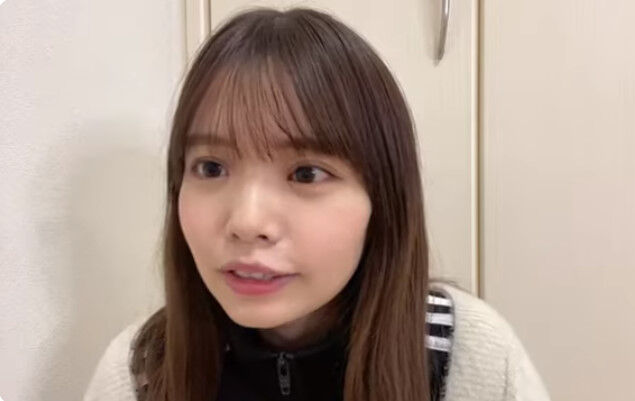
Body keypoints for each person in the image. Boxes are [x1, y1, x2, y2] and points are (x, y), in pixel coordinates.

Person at [83, 7, 550, 401]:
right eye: (211, 167)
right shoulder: (140, 371)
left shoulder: (472, 358)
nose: (247, 221)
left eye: (306, 174)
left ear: (382, 199)